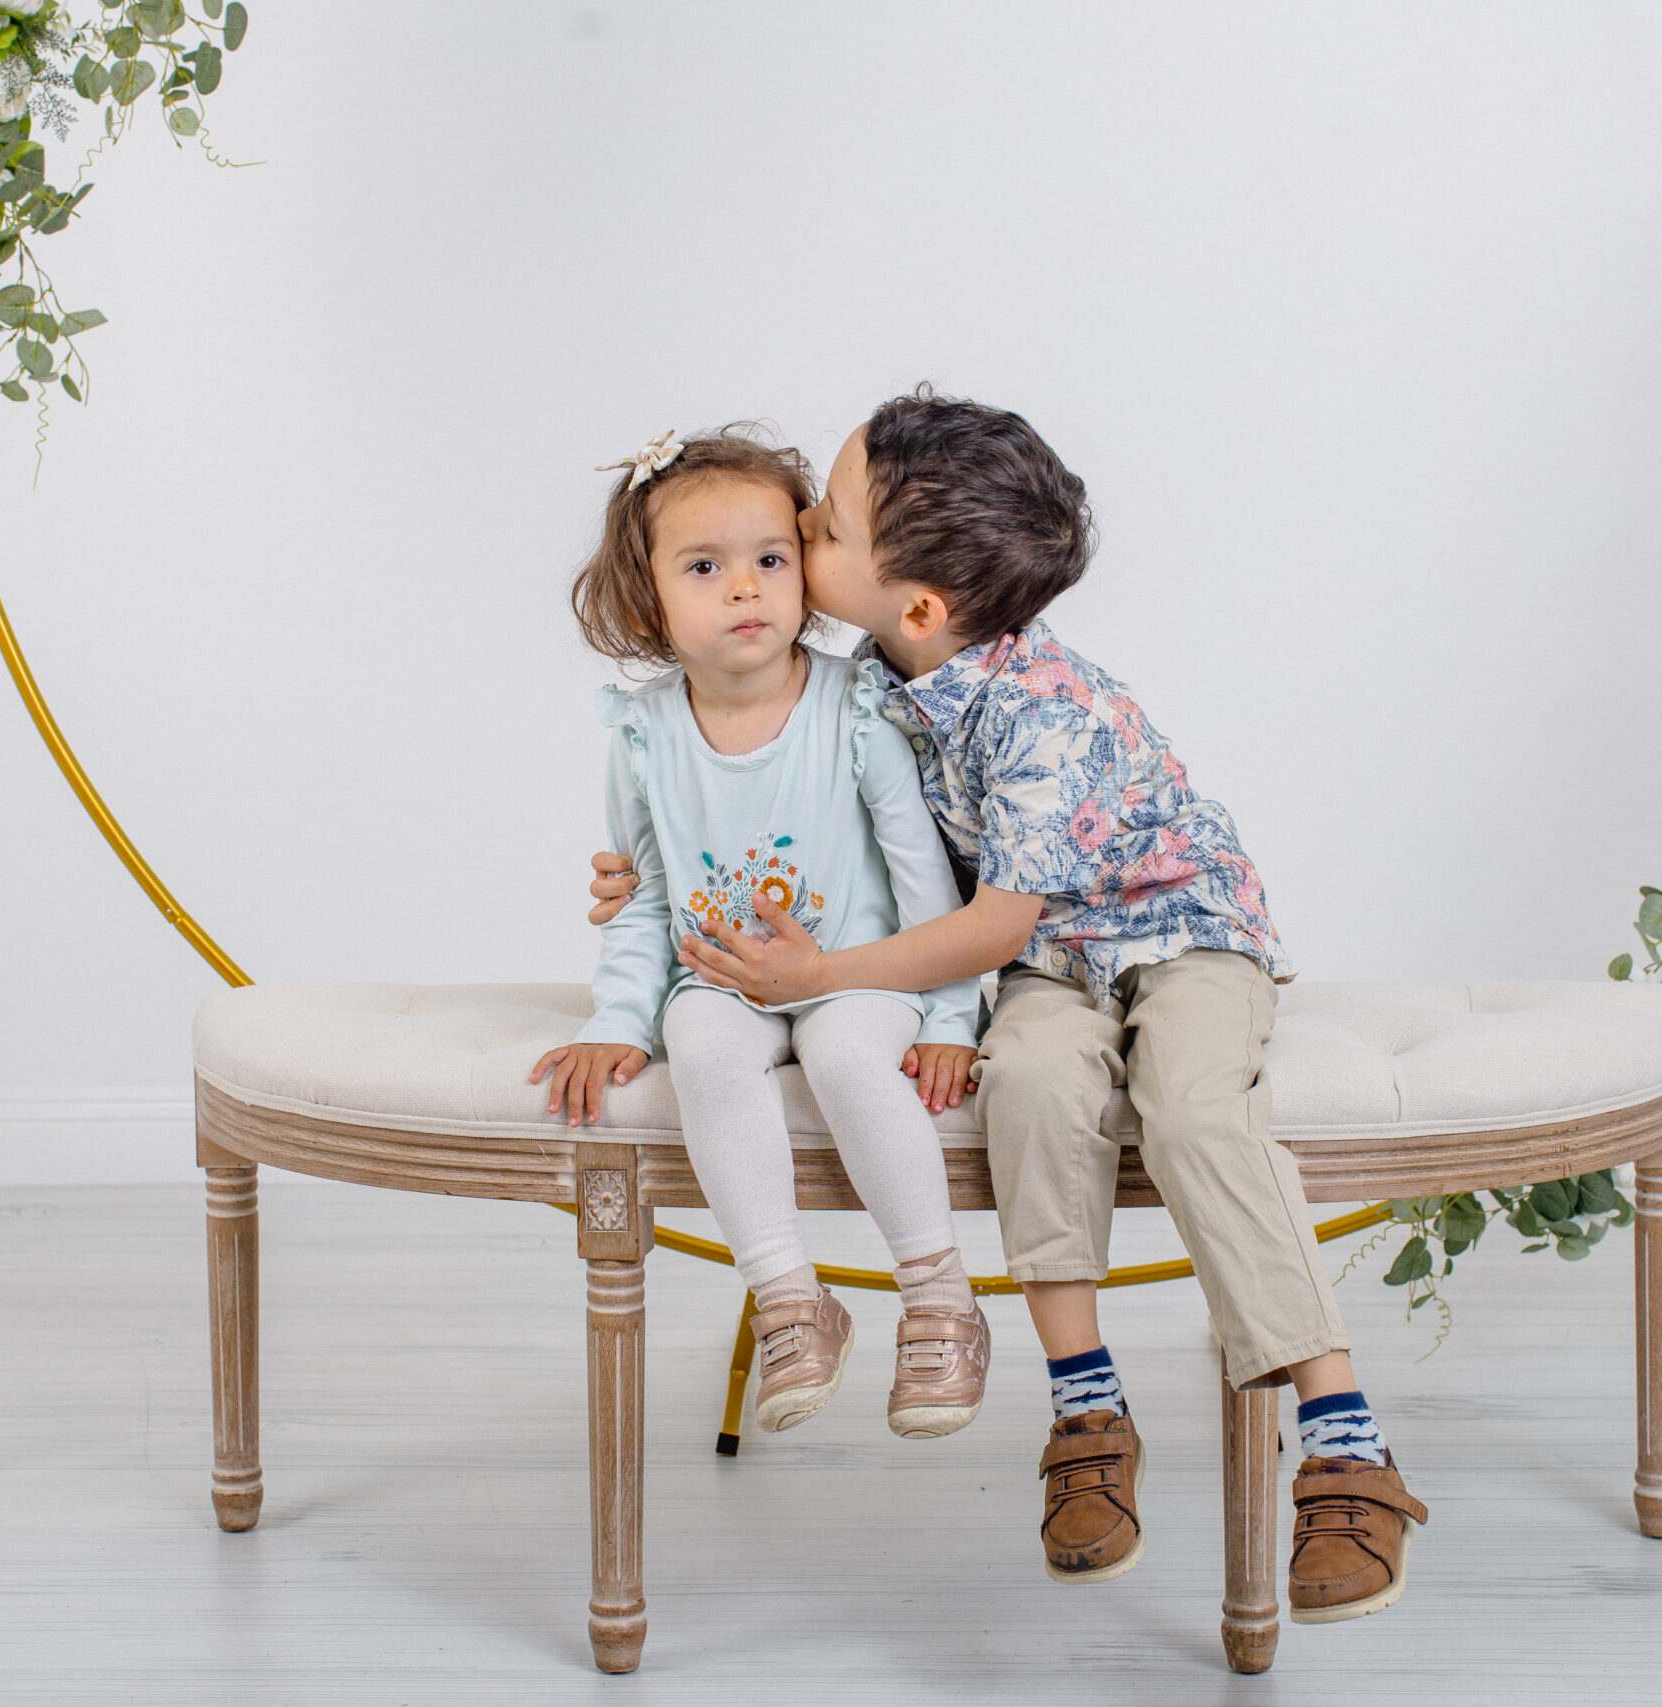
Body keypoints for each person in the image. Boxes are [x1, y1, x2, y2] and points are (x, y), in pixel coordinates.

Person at [587, 390, 1428, 1620]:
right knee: (1032, 1085)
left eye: (818, 526)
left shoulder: (1041, 709)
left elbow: (993, 921)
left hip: (1172, 934)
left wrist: (821, 980)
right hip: (1048, 972)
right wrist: (648, 862)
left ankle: (1344, 1434)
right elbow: (793, 802)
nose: (799, 534)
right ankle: (1084, 1403)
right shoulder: (871, 675)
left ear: (919, 605)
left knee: (1193, 1112)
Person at [532, 425, 993, 1440]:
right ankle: (790, 1296)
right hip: (721, 977)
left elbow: (924, 874)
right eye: (705, 567)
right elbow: (646, 893)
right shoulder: (646, 733)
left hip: (857, 971)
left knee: (842, 1054)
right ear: (647, 596)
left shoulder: (857, 706)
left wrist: (951, 1017)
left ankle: (938, 1294)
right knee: (700, 1043)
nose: (745, 589)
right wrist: (620, 1015)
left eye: (770, 561)